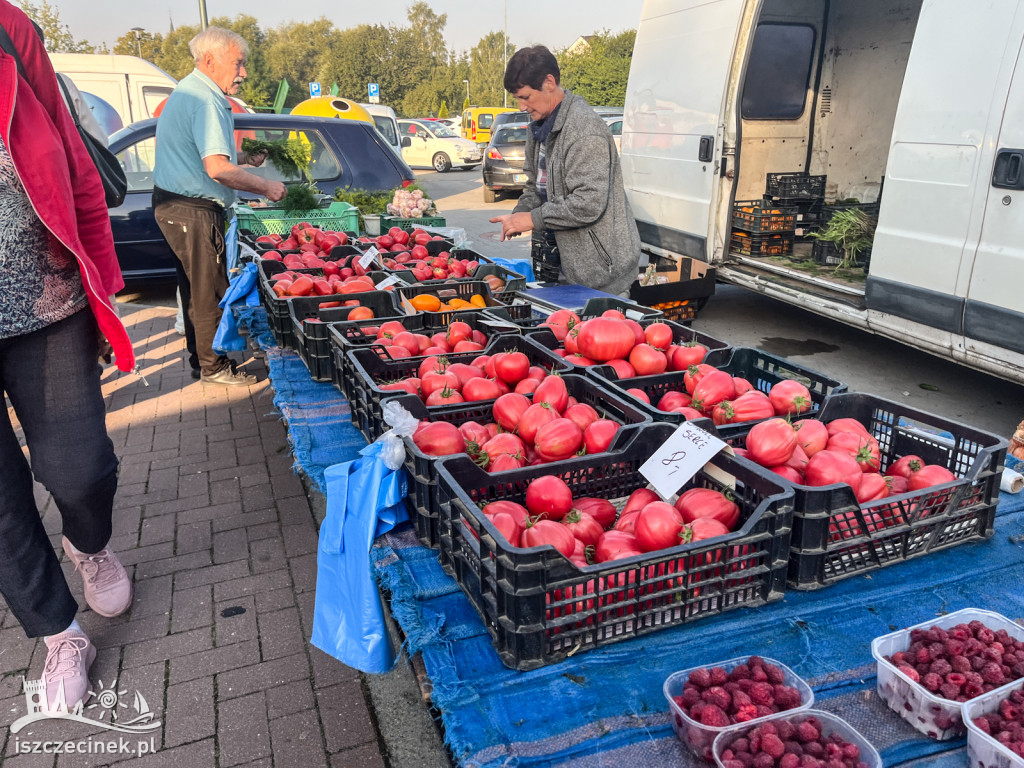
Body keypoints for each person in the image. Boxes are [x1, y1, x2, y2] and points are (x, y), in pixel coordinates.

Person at [0, 0, 136, 711]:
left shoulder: (9, 29)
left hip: (45, 300)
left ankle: (89, 543)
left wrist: (105, 279)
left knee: (79, 468)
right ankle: (60, 635)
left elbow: (74, 158)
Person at [152, 26, 286, 386]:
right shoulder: (206, 99)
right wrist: (267, 186)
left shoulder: (189, 90)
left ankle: (201, 360)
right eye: (237, 64)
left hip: (174, 205)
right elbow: (216, 168)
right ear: (210, 61)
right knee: (208, 291)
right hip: (192, 209)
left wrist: (243, 156)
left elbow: (207, 156)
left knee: (194, 289)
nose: (243, 73)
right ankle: (214, 368)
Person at [489, 45, 642, 297]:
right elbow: (533, 185)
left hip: (600, 275)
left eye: (525, 97)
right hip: (559, 266)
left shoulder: (584, 130)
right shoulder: (538, 126)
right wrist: (519, 215)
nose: (521, 106)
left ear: (549, 82)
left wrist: (533, 219)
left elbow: (588, 203)